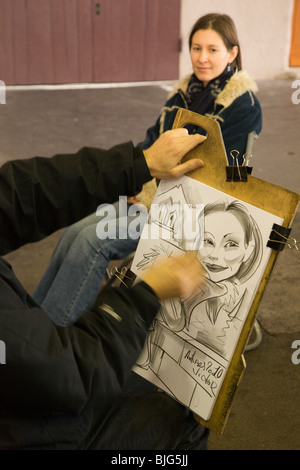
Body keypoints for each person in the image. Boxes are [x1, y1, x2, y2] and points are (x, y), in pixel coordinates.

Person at [33, 12, 263, 327]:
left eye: (212, 49)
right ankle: (33, 324)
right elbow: (151, 145)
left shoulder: (243, 106)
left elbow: (233, 176)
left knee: (93, 241)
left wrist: (161, 201)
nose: (202, 58)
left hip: (192, 214)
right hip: (149, 198)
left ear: (232, 53)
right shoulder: (182, 96)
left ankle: (54, 340)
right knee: (74, 231)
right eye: (196, 48)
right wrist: (134, 183)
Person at [0, 129, 210, 450]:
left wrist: (137, 164)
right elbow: (69, 377)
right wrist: (145, 295)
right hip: (31, 425)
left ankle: (57, 328)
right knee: (181, 416)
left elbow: (16, 194)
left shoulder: (238, 104)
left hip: (38, 380)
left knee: (83, 236)